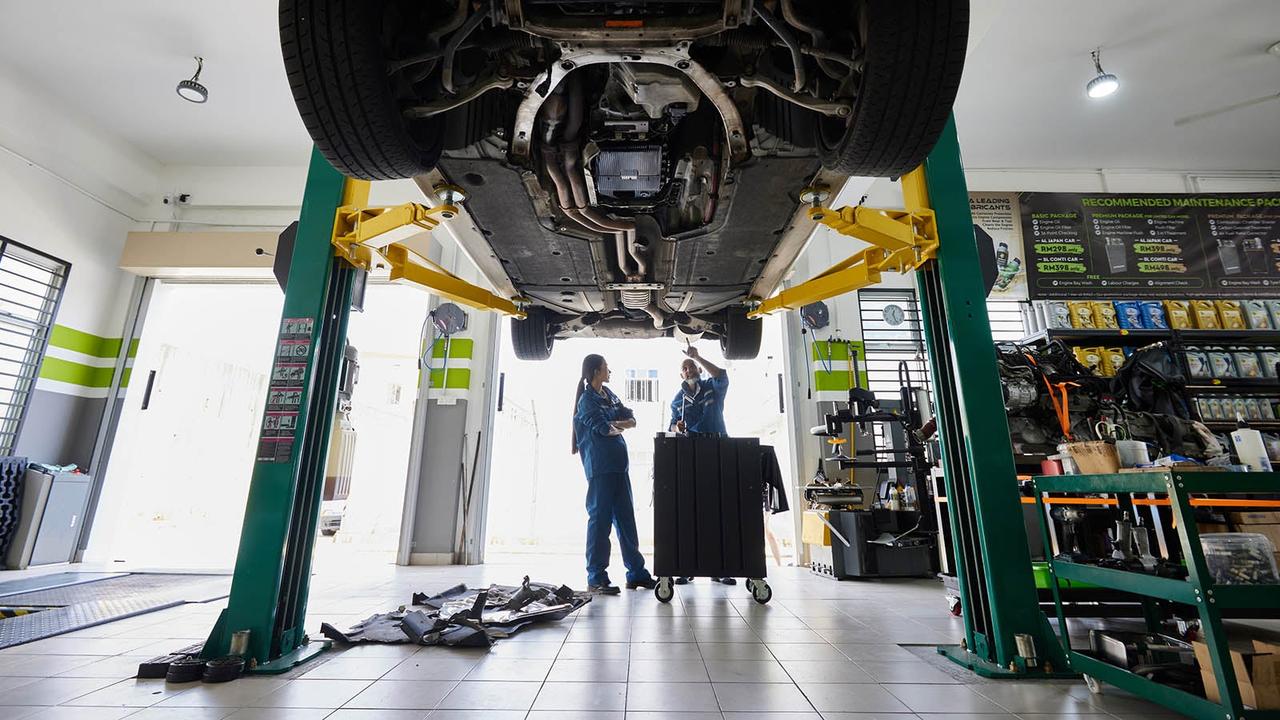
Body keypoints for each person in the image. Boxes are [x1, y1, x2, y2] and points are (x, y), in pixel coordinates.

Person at [572, 353, 656, 594]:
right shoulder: (587, 401)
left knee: (626, 521)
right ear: (597, 371)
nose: (610, 371)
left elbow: (631, 417)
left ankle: (637, 573)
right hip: (600, 468)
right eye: (606, 367)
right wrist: (622, 424)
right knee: (600, 522)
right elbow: (606, 429)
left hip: (619, 467)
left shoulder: (609, 396)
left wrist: (624, 423)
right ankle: (596, 577)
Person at [667, 345, 735, 585]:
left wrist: (697, 356)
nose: (688, 369)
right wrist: (678, 428)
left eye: (691, 366)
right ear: (681, 375)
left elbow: (721, 375)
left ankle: (720, 568)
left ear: (697, 369)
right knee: (691, 511)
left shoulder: (711, 388)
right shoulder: (677, 400)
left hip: (717, 451)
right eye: (684, 368)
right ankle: (688, 567)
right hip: (692, 456)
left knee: (719, 511)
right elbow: (672, 426)